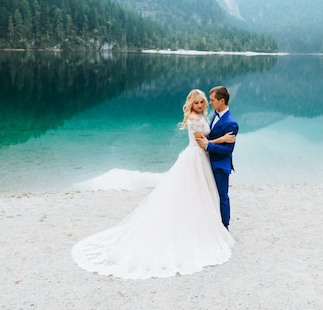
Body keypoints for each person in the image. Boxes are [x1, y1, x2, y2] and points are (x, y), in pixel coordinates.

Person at [72, 89, 236, 279]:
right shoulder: (193, 118)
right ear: (190, 104)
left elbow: (206, 140)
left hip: (201, 159)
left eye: (203, 102)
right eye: (197, 102)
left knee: (200, 193)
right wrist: (223, 139)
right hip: (196, 157)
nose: (200, 105)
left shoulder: (202, 115)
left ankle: (207, 222)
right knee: (194, 191)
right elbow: (202, 142)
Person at [196, 86, 238, 230]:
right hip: (208, 162)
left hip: (220, 165)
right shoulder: (215, 114)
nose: (210, 102)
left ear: (222, 101)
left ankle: (225, 226)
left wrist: (209, 146)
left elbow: (228, 150)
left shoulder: (231, 123)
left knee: (222, 196)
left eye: (212, 100)